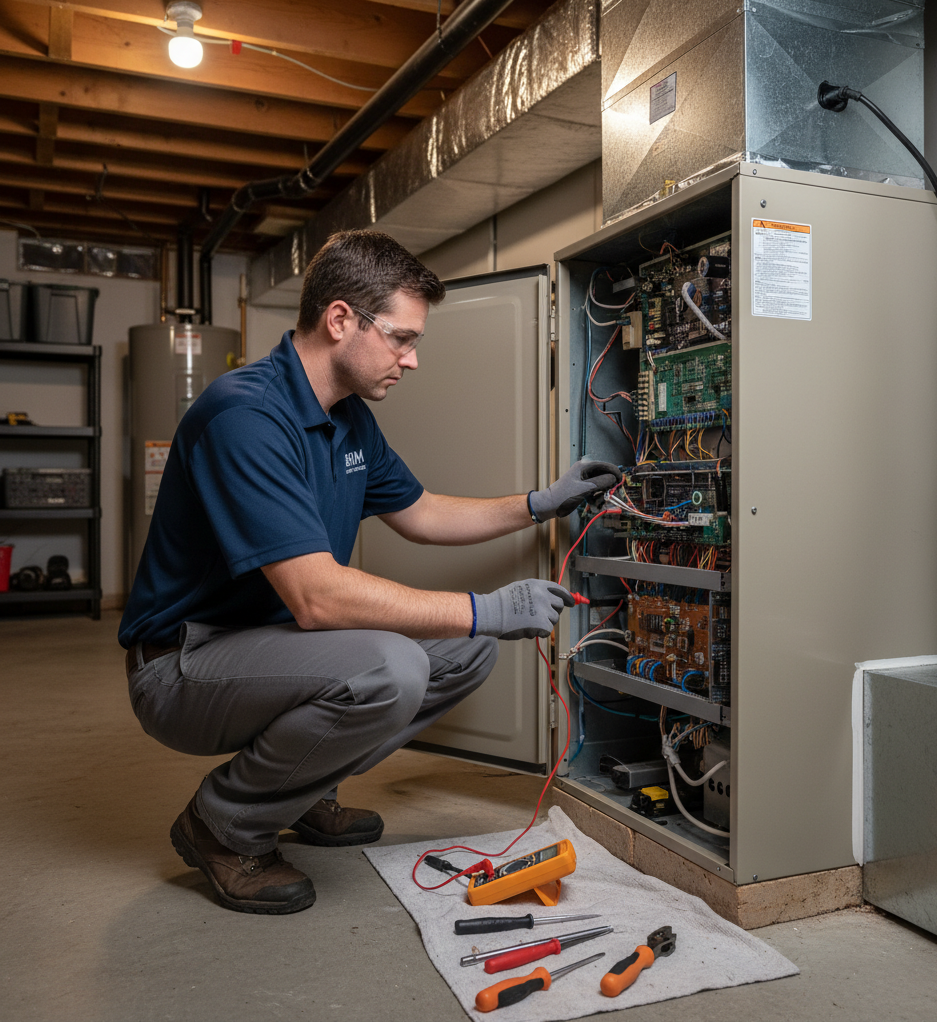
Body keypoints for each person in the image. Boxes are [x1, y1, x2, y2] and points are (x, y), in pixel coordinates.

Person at [119, 230, 620, 915]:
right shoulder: (245, 416)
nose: (412, 361)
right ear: (340, 320)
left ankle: (299, 789)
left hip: (272, 645)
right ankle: (223, 824)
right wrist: (485, 607)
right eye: (403, 338)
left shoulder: (347, 418)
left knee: (464, 653)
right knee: (394, 667)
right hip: (182, 663)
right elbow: (318, 598)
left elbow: (422, 513)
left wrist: (540, 503)